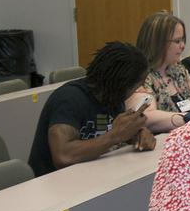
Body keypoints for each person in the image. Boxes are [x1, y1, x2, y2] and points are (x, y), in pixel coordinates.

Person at [27, 41, 155, 176]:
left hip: (89, 176)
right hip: (52, 185)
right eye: (138, 85)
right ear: (121, 85)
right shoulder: (68, 100)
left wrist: (136, 134)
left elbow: (104, 130)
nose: (141, 89)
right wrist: (115, 136)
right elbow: (63, 156)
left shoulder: (113, 98)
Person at [134, 11, 190, 133]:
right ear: (158, 43)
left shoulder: (179, 70)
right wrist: (189, 118)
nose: (183, 46)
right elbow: (148, 117)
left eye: (183, 40)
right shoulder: (140, 76)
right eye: (177, 41)